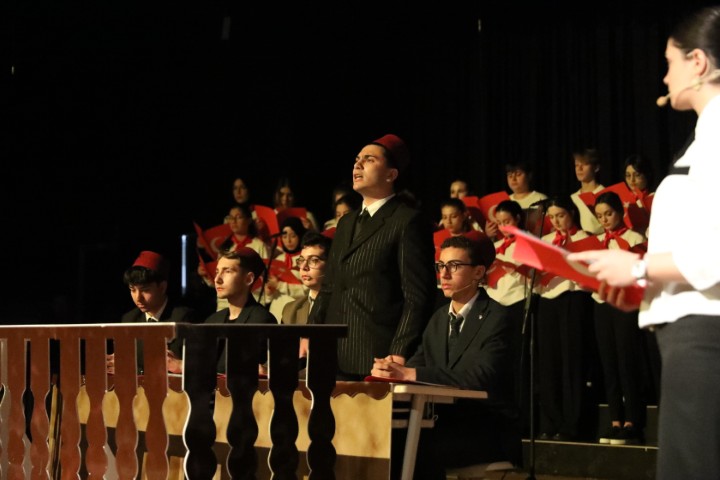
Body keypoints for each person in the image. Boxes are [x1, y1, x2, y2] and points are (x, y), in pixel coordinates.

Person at [568, 7, 720, 477]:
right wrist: (644, 288)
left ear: (698, 62)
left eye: (670, 62)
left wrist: (636, 268)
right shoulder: (706, 135)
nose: (665, 76)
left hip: (706, 333)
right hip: (691, 330)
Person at [371, 235, 521, 478]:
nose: (444, 274)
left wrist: (410, 373)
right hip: (441, 423)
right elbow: (417, 365)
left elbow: (480, 376)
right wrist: (391, 371)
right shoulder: (439, 318)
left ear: (478, 272)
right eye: (440, 266)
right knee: (382, 438)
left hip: (484, 428)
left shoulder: (498, 317)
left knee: (409, 446)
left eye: (454, 266)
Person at [306, 133, 437, 380]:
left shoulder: (407, 220)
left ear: (391, 174)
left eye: (369, 159)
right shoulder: (346, 223)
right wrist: (310, 333)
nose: (358, 165)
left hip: (377, 355)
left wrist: (400, 350)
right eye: (357, 159)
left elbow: (417, 296)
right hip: (332, 354)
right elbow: (329, 286)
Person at [589, 191, 647, 445]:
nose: (604, 220)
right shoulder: (595, 241)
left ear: (620, 212)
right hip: (601, 303)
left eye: (608, 214)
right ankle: (615, 420)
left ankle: (633, 421)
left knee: (627, 360)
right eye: (599, 216)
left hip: (624, 304)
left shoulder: (634, 238)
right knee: (609, 361)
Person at [535, 197, 595, 441]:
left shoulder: (584, 238)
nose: (556, 221)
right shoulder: (546, 240)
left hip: (574, 298)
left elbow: (593, 275)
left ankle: (572, 423)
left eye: (560, 215)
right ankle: (551, 420)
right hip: (548, 299)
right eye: (551, 217)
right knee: (549, 361)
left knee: (572, 360)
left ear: (572, 213)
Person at [107, 251, 198, 374]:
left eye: (145, 290)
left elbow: (195, 364)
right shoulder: (130, 319)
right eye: (132, 290)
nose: (138, 298)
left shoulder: (183, 317)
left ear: (162, 287)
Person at [203, 247, 277, 374]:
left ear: (248, 279)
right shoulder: (213, 320)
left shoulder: (261, 321)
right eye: (217, 272)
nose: (217, 279)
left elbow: (238, 367)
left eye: (227, 271)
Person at [281, 231, 332, 325]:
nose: (304, 267)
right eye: (301, 260)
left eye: (313, 260)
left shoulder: (342, 306)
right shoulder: (290, 311)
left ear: (330, 264)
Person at [570, 148, 605, 234]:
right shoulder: (573, 198)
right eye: (576, 165)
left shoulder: (604, 193)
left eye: (584, 164)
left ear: (596, 168)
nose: (579, 169)